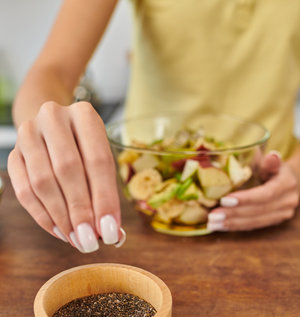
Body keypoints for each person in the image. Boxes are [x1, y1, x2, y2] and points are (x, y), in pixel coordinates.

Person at [7, 0, 300, 253]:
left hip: (273, 201)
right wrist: (44, 132)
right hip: (138, 206)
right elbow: (51, 72)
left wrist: (296, 172)